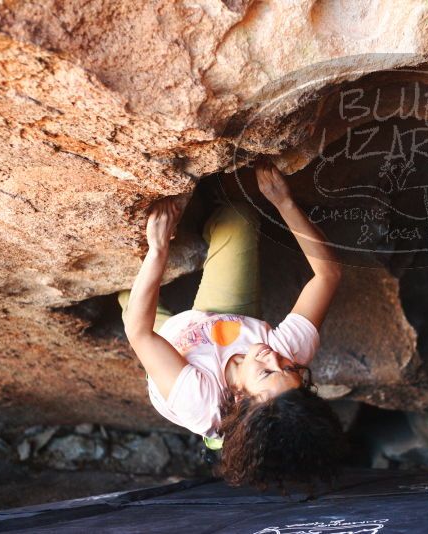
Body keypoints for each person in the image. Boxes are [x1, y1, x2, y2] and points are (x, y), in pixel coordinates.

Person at [120, 163, 346, 490]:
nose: (274, 356)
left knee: (129, 294)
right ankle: (203, 221)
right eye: (288, 368)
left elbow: (140, 332)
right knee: (238, 218)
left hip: (178, 347)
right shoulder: (287, 360)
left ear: (239, 398)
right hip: (226, 322)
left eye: (268, 371)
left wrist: (158, 250)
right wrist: (284, 203)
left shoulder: (200, 400)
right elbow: (329, 276)